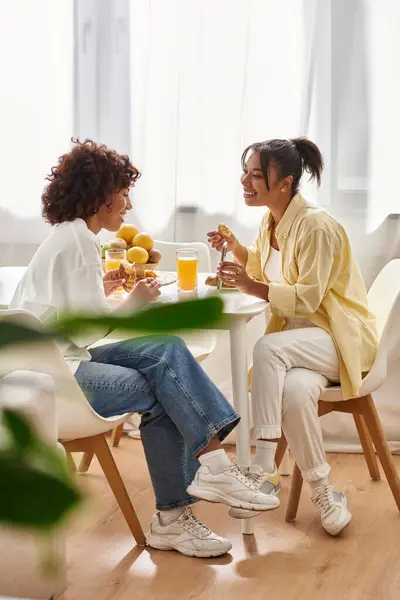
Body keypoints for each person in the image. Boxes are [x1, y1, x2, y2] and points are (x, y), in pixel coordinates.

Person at [10, 139, 279, 558]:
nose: (128, 205)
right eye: (124, 193)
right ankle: (185, 505)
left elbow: (63, 313)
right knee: (165, 389)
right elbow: (86, 331)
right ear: (101, 195)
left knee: (167, 349)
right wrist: (133, 304)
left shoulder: (68, 236)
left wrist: (100, 292)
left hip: (51, 362)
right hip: (54, 379)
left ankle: (207, 481)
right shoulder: (78, 241)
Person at [208, 137, 378, 536]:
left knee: (267, 348)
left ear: (284, 183)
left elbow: (308, 297)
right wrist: (236, 249)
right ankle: (325, 491)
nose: (245, 182)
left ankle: (263, 467)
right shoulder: (270, 221)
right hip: (301, 344)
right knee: (297, 393)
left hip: (339, 340)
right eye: (245, 173)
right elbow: (269, 271)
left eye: (256, 175)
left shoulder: (315, 226)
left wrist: (251, 287)